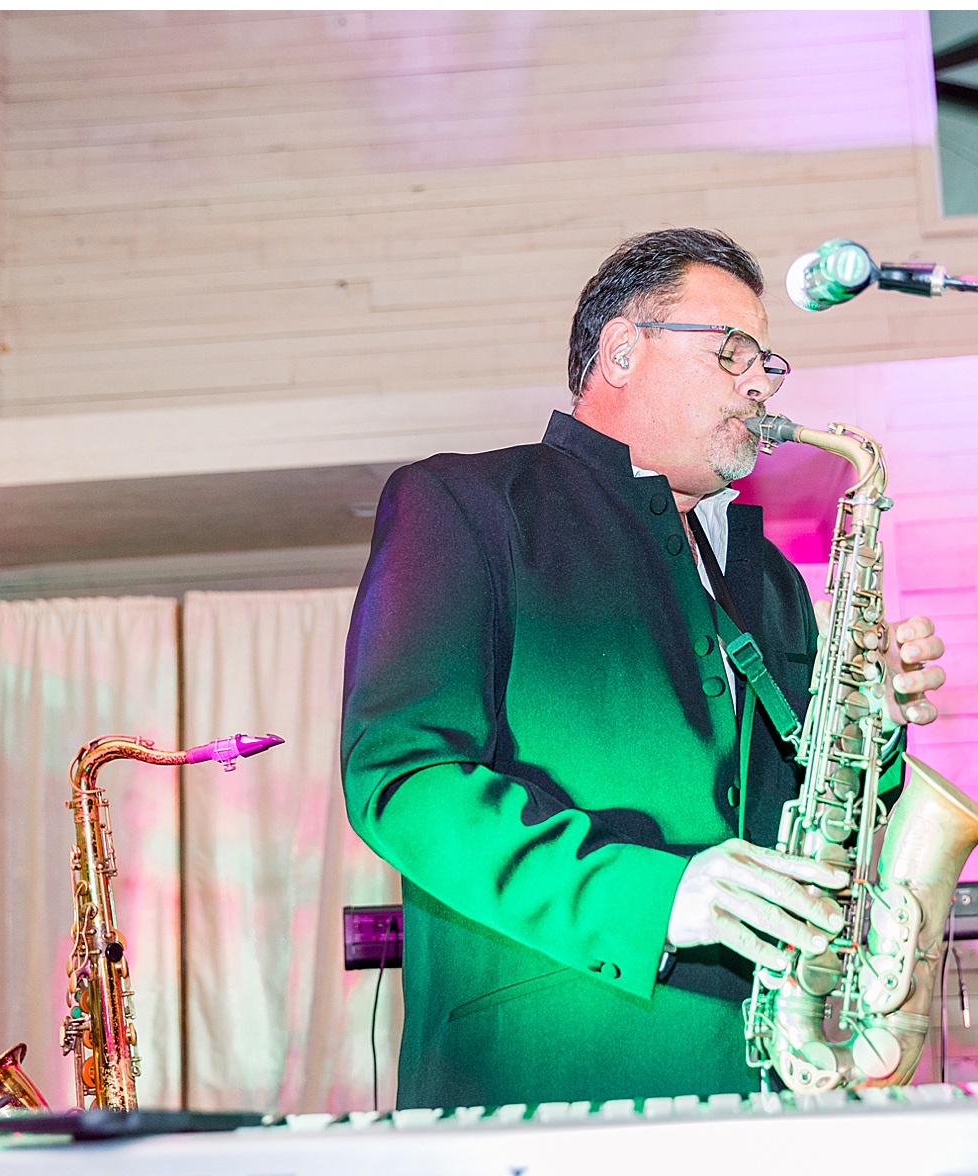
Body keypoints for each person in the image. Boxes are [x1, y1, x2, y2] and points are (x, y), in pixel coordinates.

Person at [341, 229, 947, 1110]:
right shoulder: (466, 504)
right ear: (622, 351)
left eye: (768, 363)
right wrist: (657, 896)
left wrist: (870, 725)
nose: (761, 383)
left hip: (775, 1082)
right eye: (732, 351)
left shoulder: (772, 579)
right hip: (548, 1083)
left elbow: (816, 815)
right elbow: (402, 779)